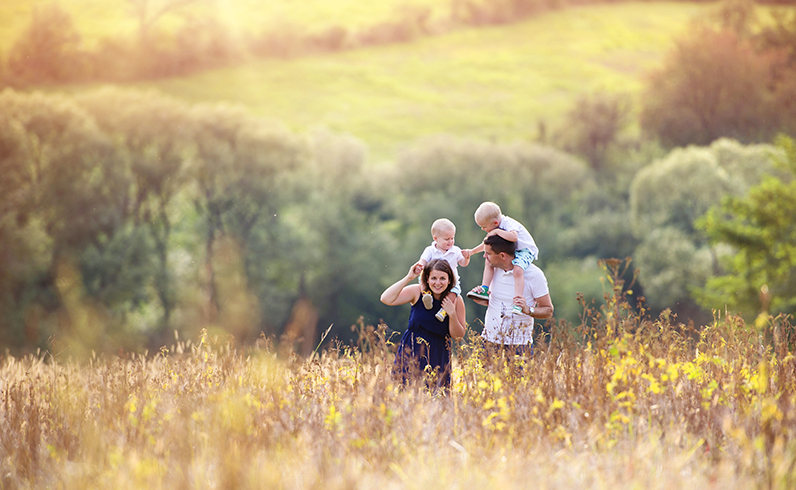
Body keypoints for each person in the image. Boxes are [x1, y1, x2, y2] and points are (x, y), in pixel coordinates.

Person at [380, 259, 467, 387]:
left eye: (443, 278)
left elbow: (458, 337)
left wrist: (452, 314)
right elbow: (386, 298)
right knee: (404, 392)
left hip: (438, 353)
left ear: (449, 280)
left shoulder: (456, 300)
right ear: (427, 279)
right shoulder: (418, 292)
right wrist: (409, 277)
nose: (438, 283)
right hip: (411, 349)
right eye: (434, 278)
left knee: (435, 397)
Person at [469, 234, 553, 356]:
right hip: (488, 342)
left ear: (502, 255)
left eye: (488, 253)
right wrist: (481, 298)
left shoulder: (534, 274)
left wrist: (527, 309)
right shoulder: (492, 270)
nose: (484, 256)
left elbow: (548, 310)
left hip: (520, 346)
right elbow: (496, 303)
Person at [464, 202, 539, 315]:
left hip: (525, 250)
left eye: (484, 227)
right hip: (512, 250)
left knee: (518, 270)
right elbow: (486, 243)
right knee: (489, 261)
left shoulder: (508, 223)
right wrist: (472, 251)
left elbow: (514, 237)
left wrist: (497, 231)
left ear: (495, 223)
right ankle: (485, 288)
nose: (482, 229)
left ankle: (518, 302)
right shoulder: (496, 227)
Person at [414, 218, 471, 320]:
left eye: (452, 238)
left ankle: (443, 311)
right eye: (446, 239)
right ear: (436, 239)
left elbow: (463, 263)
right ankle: (427, 295)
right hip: (432, 278)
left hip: (451, 280)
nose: (450, 241)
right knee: (422, 279)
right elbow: (422, 261)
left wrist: (466, 258)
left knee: (454, 292)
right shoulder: (430, 250)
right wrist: (419, 266)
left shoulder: (455, 250)